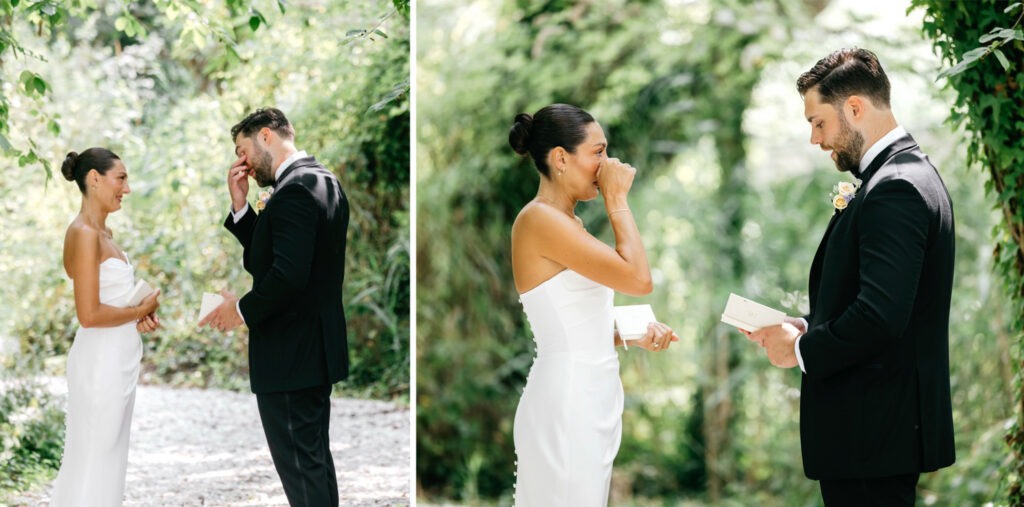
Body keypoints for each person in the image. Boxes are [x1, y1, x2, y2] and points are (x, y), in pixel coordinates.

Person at [746, 48, 956, 506]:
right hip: (876, 436)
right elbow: (878, 298)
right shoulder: (903, 175)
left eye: (818, 122)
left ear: (855, 108)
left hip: (872, 435)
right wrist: (808, 322)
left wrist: (799, 349)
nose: (816, 140)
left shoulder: (896, 187)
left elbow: (879, 317)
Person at [508, 103, 678, 506]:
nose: (609, 165)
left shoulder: (567, 222)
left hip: (591, 395)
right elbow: (638, 279)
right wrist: (617, 200)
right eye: (598, 152)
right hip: (568, 401)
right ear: (561, 159)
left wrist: (629, 333)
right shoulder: (539, 220)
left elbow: (571, 316)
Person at [199, 107, 350, 505]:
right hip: (312, 352)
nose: (241, 161)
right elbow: (278, 253)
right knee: (313, 464)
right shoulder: (322, 181)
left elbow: (287, 275)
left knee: (302, 472)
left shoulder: (295, 190)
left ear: (266, 136)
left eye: (242, 148)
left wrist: (241, 310)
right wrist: (241, 207)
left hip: (290, 355)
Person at [52, 147, 161, 505]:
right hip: (99, 363)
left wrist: (138, 312)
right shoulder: (83, 232)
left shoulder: (104, 231)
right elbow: (89, 314)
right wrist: (138, 309)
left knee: (109, 457)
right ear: (94, 179)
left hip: (118, 360)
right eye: (121, 178)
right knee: (94, 457)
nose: (126, 189)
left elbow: (109, 302)